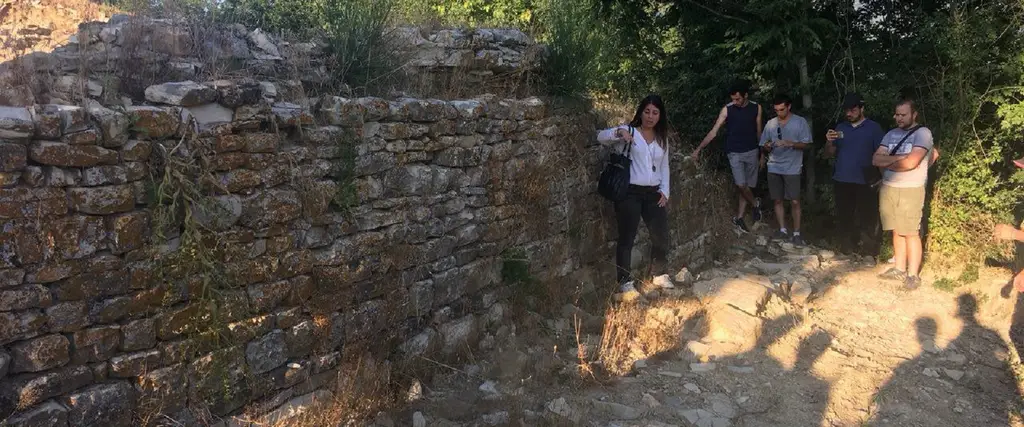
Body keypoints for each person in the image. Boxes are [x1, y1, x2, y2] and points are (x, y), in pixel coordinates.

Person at [597, 94, 674, 294]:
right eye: (647, 111)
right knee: (627, 237)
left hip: (652, 193)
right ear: (640, 112)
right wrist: (618, 132)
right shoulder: (630, 132)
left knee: (660, 235)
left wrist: (665, 190)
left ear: (660, 115)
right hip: (629, 192)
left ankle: (658, 274)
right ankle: (624, 281)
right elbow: (601, 137)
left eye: (655, 112)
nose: (650, 116)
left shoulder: (661, 138)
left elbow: (664, 166)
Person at [872, 98, 940, 290]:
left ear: (914, 114)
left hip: (911, 188)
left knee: (911, 232)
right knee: (896, 229)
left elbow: (912, 163)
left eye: (903, 115)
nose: (899, 118)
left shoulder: (923, 133)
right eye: (897, 115)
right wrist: (901, 159)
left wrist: (891, 161)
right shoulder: (891, 134)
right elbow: (876, 158)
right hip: (889, 187)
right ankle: (899, 268)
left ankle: (913, 275)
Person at [691, 81, 764, 233]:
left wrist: (762, 154)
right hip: (734, 152)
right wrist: (698, 149)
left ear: (746, 96)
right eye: (733, 99)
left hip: (752, 151)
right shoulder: (727, 110)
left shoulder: (756, 108)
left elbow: (759, 132)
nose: (735, 102)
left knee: (747, 186)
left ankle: (740, 218)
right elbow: (714, 131)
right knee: (740, 184)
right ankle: (756, 204)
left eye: (738, 99)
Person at [825, 93, 886, 255]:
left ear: (861, 109)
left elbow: (881, 154)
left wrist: (883, 178)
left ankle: (869, 252)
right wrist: (829, 141)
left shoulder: (874, 128)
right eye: (846, 110)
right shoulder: (840, 128)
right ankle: (847, 250)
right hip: (842, 178)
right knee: (844, 215)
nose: (849, 113)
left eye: (852, 110)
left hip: (866, 179)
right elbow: (829, 153)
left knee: (868, 216)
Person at [760, 93, 813, 246]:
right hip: (774, 165)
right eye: (776, 110)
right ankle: (782, 229)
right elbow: (763, 144)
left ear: (789, 107)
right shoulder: (770, 124)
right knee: (777, 199)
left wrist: (791, 143)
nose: (779, 113)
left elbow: (807, 144)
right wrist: (767, 146)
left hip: (793, 167)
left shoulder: (800, 122)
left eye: (782, 109)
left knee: (795, 200)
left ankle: (796, 232)